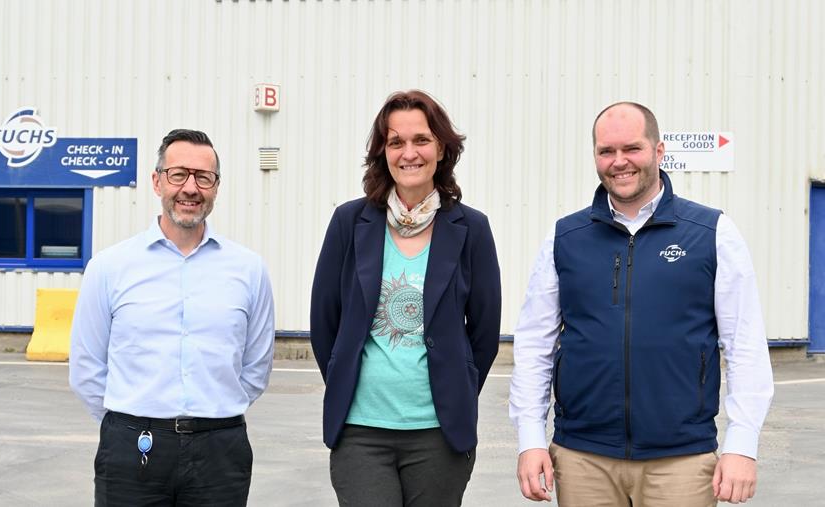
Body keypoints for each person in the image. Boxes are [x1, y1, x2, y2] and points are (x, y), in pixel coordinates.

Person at [509, 102, 774, 506]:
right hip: (582, 457)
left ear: (658, 151)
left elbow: (745, 344)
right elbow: (534, 344)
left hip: (681, 459)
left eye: (632, 148)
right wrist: (530, 439)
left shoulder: (711, 233)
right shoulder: (565, 237)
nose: (619, 162)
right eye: (606, 151)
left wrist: (742, 445)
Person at [310, 90, 501, 507]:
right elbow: (325, 322)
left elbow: (485, 333)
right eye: (396, 142)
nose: (409, 153)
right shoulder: (349, 222)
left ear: (441, 149)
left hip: (438, 433)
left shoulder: (471, 228)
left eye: (421, 140)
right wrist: (346, 378)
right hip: (360, 430)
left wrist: (458, 389)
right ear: (383, 152)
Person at [69, 129, 275, 506]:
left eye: (204, 177)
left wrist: (212, 417)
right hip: (131, 448)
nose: (190, 188)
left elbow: (256, 367)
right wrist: (135, 420)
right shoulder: (109, 267)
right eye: (178, 174)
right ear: (157, 181)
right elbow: (87, 367)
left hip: (220, 452)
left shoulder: (249, 270)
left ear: (216, 186)